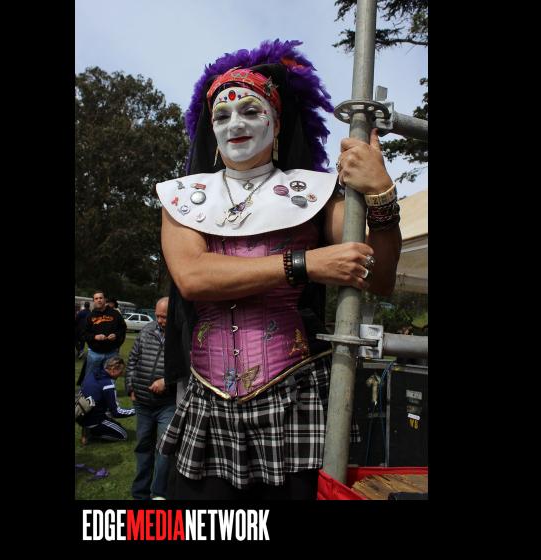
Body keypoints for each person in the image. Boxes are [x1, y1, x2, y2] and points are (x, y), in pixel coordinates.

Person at [155, 39, 401, 500]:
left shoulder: (317, 194)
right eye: (222, 115)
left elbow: (380, 277)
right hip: (207, 403)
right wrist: (306, 263)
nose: (236, 123)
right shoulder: (182, 198)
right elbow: (193, 277)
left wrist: (382, 195)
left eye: (250, 110)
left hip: (296, 402)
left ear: (277, 120)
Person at [125, 297, 176, 500]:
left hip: (167, 404)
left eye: (164, 317)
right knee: (143, 448)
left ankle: (159, 494)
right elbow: (132, 360)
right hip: (143, 403)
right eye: (157, 316)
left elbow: (188, 368)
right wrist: (130, 386)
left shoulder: (181, 335)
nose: (160, 320)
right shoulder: (146, 330)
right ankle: (140, 494)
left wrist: (167, 381)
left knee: (164, 450)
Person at [77, 356, 135, 444]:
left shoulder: (92, 374)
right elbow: (116, 413)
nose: (121, 374)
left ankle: (87, 429)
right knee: (123, 435)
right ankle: (93, 433)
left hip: (81, 414)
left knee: (105, 409)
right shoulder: (108, 385)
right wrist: (135, 411)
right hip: (95, 419)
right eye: (121, 371)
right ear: (113, 369)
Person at [81, 290, 127, 383]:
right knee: (90, 379)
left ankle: (108, 392)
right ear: (94, 301)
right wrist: (95, 337)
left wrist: (116, 335)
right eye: (96, 298)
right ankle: (87, 392)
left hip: (111, 353)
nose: (99, 300)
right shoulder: (90, 316)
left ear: (105, 299)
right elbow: (84, 334)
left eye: (101, 298)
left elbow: (123, 329)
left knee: (110, 380)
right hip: (94, 353)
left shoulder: (115, 314)